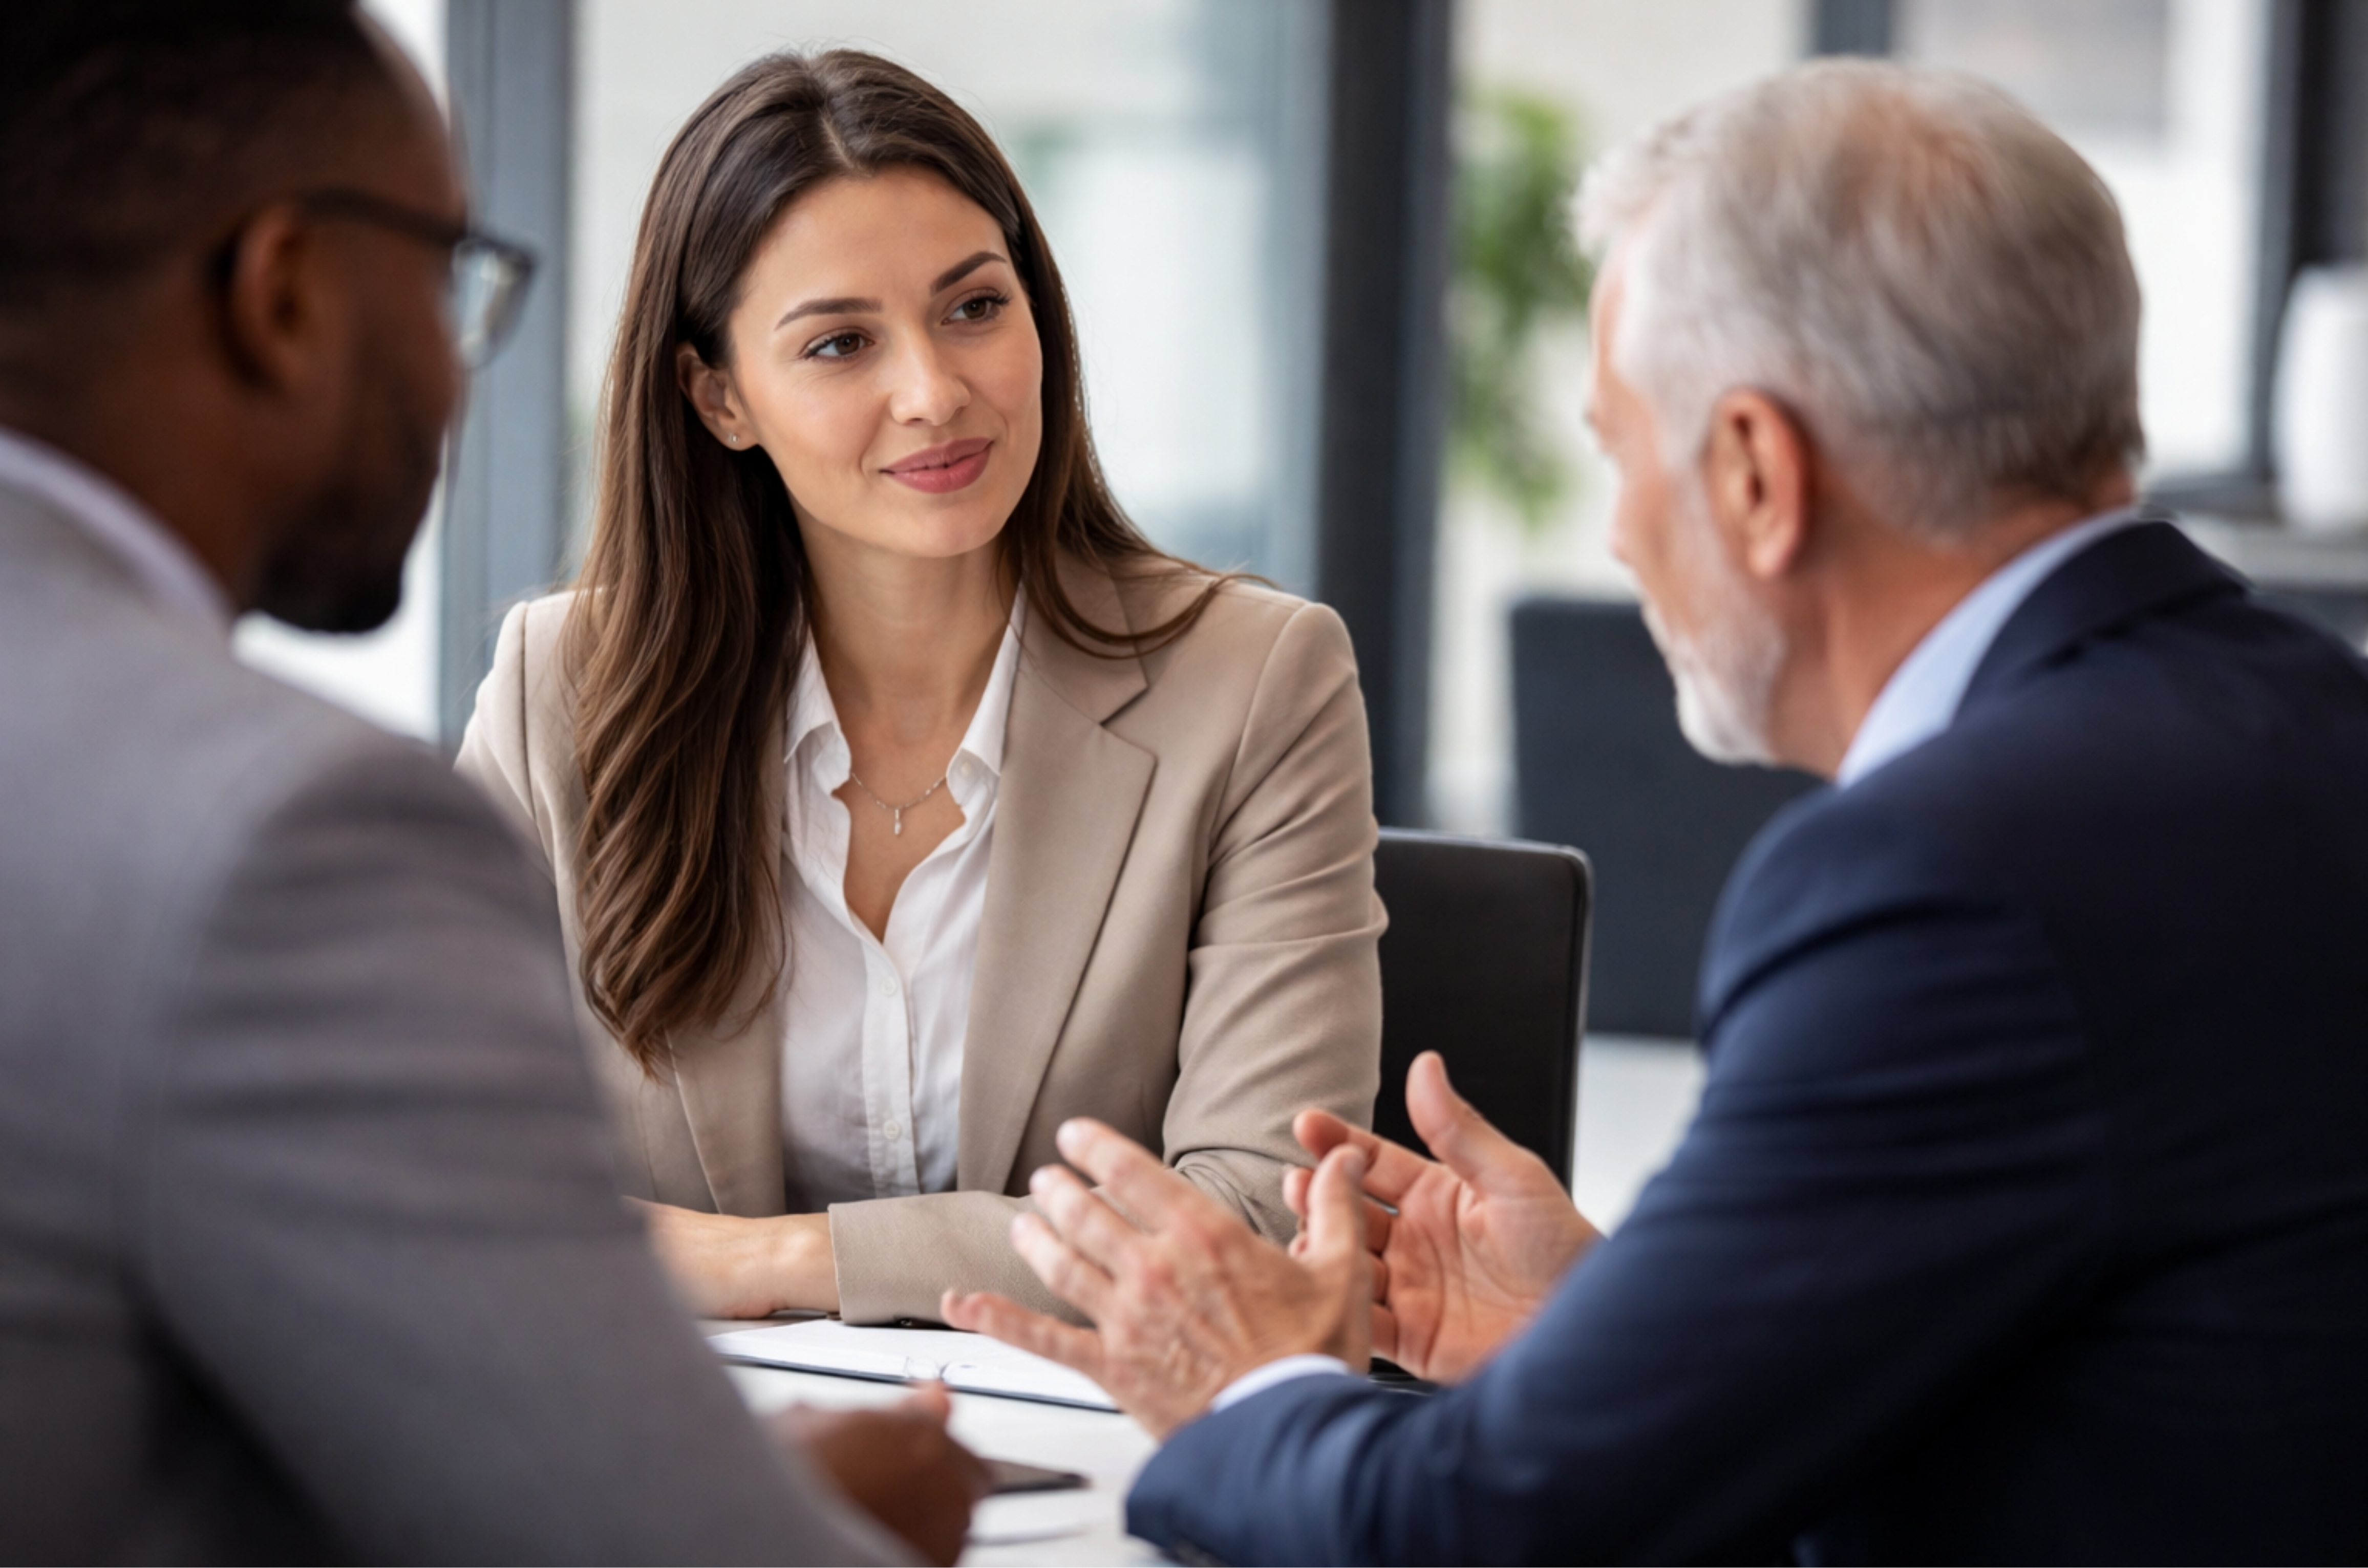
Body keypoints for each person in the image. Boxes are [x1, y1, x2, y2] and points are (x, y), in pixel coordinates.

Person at [945, 58, 2368, 1563]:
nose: (1619, 531)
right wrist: (1624, 1333)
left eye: (1620, 448)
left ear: (1755, 471)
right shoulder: (2311, 716)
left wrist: (1241, 1389)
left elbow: (1482, 1533)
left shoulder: (1944, 879)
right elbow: (2117, 1360)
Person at [0, 3, 986, 1560]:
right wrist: (832, 1512)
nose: (464, 369)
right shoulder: (287, 841)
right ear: (286, 295)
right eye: (446, 274)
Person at [451, 49, 1382, 1327]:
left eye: (974, 307)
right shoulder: (559, 690)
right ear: (719, 397)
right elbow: (426, 1155)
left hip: (1096, 1432)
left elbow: (1255, 1221)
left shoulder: (1258, 681)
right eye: (841, 343)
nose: (935, 393)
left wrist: (765, 1262)